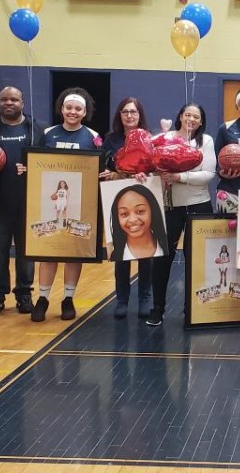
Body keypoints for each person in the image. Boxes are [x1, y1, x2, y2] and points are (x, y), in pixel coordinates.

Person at [32, 88, 100, 322]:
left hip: (79, 204)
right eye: (68, 107)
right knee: (48, 252)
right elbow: (36, 162)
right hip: (48, 204)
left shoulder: (92, 136)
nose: (73, 111)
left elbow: (98, 168)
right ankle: (42, 298)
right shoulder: (48, 133)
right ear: (61, 109)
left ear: (84, 112)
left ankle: (68, 298)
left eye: (78, 108)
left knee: (73, 253)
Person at [0, 86, 44, 316]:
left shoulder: (35, 130)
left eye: (14, 99)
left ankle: (24, 294)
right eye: (4, 99)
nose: (9, 103)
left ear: (22, 103)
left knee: (26, 253)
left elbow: (47, 164)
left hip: (27, 204)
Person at [146, 102, 216, 326]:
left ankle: (193, 309)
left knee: (196, 258)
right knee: (162, 258)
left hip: (199, 204)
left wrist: (179, 178)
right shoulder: (163, 138)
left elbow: (208, 174)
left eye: (196, 117)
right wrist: (157, 174)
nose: (192, 119)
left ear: (201, 121)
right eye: (188, 115)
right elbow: (149, 168)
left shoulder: (206, 141)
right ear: (180, 116)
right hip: (169, 207)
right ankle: (157, 308)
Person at [99, 97, 155, 319]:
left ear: (140, 115)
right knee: (120, 252)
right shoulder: (110, 140)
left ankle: (144, 299)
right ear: (119, 115)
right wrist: (118, 173)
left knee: (146, 251)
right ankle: (121, 299)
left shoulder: (149, 138)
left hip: (144, 197)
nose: (129, 116)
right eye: (125, 112)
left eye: (133, 112)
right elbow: (105, 169)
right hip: (118, 198)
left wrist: (143, 173)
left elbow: (155, 168)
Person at [110, 184, 168, 259]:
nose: (132, 220)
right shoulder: (114, 254)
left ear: (153, 211)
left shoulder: (165, 247)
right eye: (124, 214)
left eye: (140, 211)